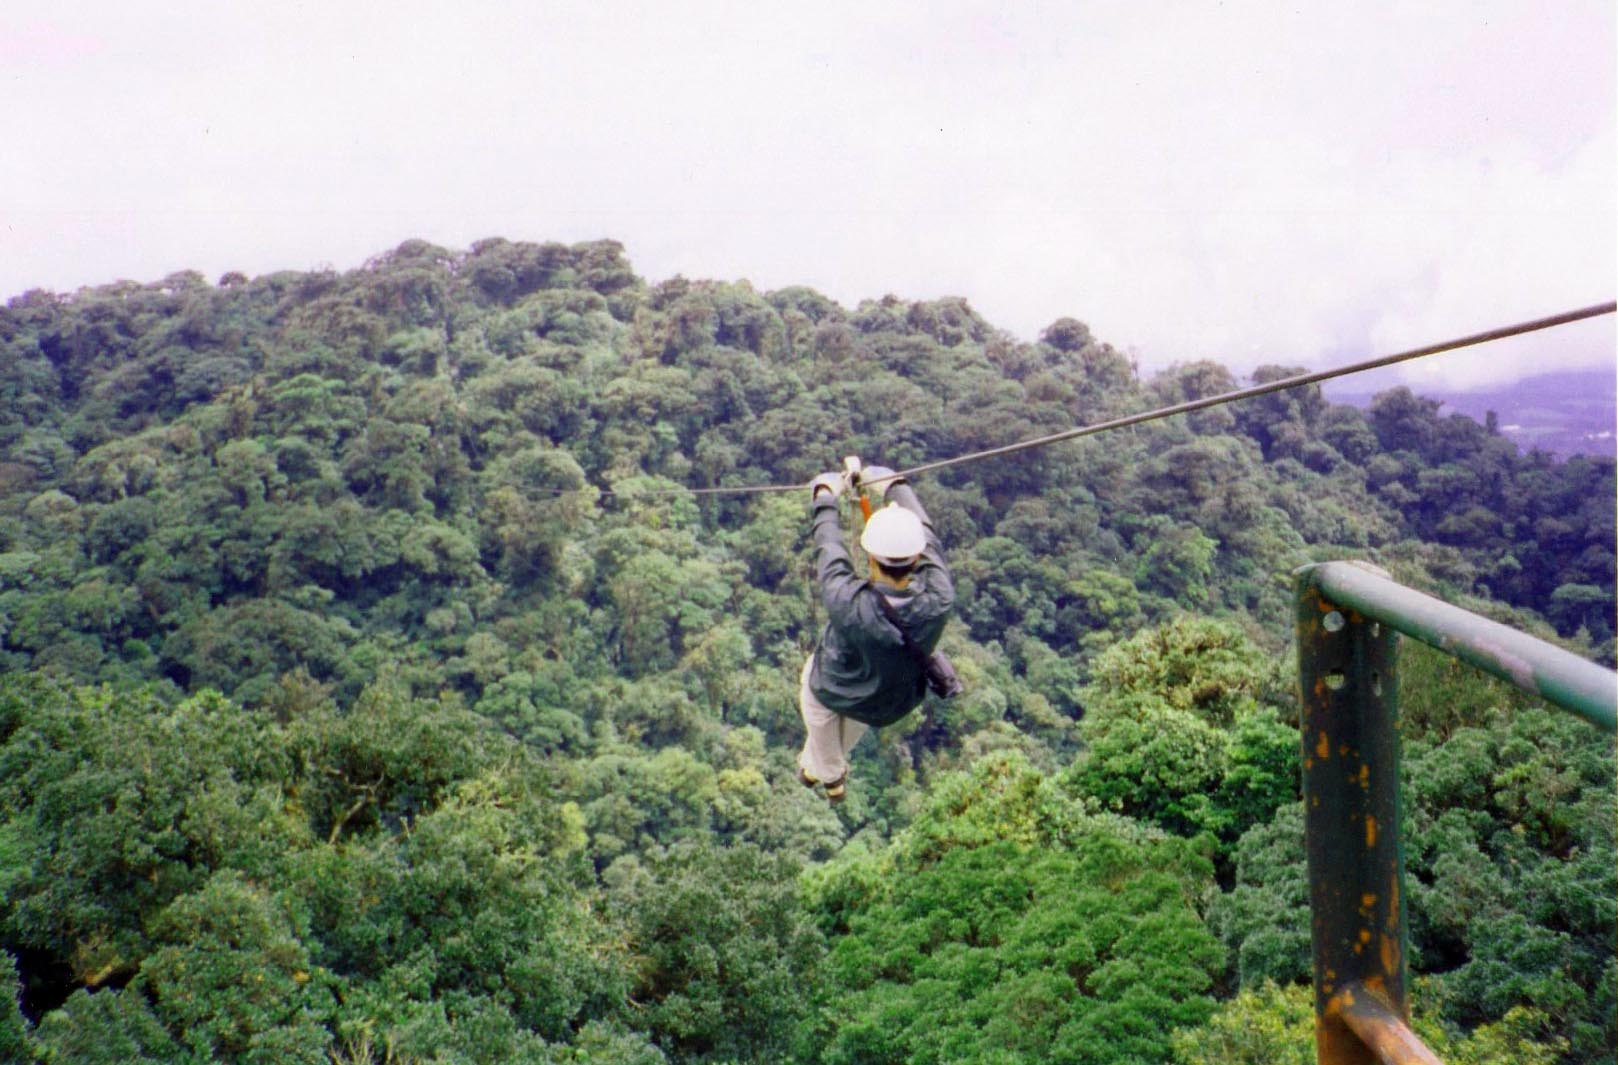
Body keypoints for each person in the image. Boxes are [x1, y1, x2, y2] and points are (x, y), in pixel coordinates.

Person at [796, 463, 954, 802]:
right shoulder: (939, 599)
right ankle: (815, 768)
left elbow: (830, 551)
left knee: (817, 701)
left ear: (871, 559)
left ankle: (829, 774)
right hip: (890, 699)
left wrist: (825, 495)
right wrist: (893, 484)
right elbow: (928, 539)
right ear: (915, 560)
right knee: (855, 709)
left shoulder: (848, 602)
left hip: (836, 684)